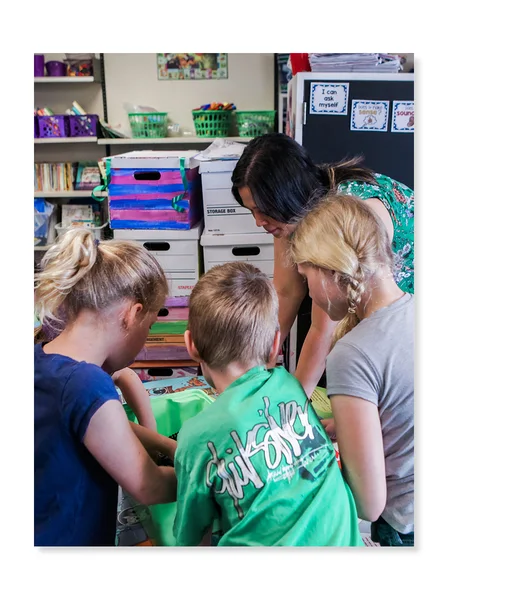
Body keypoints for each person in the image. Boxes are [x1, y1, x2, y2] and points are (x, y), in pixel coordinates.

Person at [172, 262, 361, 546]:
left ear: (190, 344)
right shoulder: (290, 387)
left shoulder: (196, 437)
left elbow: (192, 538)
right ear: (276, 345)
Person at [231, 133, 414, 399]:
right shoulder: (287, 216)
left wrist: (291, 409)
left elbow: (323, 329)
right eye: (251, 211)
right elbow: (285, 292)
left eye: (263, 209)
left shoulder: (345, 217)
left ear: (287, 196)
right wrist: (255, 368)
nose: (259, 221)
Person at [34, 229, 177, 546]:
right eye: (150, 327)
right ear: (133, 315)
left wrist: (168, 447)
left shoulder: (41, 358)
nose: (144, 343)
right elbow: (148, 486)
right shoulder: (89, 383)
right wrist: (215, 477)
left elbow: (100, 425)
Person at [289, 194, 414, 546]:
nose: (309, 293)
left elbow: (369, 504)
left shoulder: (352, 354)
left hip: (402, 527)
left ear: (331, 269)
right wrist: (344, 427)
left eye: (305, 276)